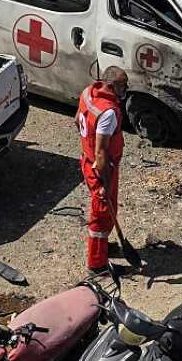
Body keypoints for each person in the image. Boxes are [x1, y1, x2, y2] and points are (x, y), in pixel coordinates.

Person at [77, 67, 129, 274]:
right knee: (101, 213)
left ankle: (104, 246)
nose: (126, 88)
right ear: (111, 85)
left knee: (108, 209)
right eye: (123, 84)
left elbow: (77, 121)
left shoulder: (88, 93)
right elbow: (101, 152)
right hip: (101, 168)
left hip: (88, 161)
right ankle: (97, 264)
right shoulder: (108, 112)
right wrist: (105, 185)